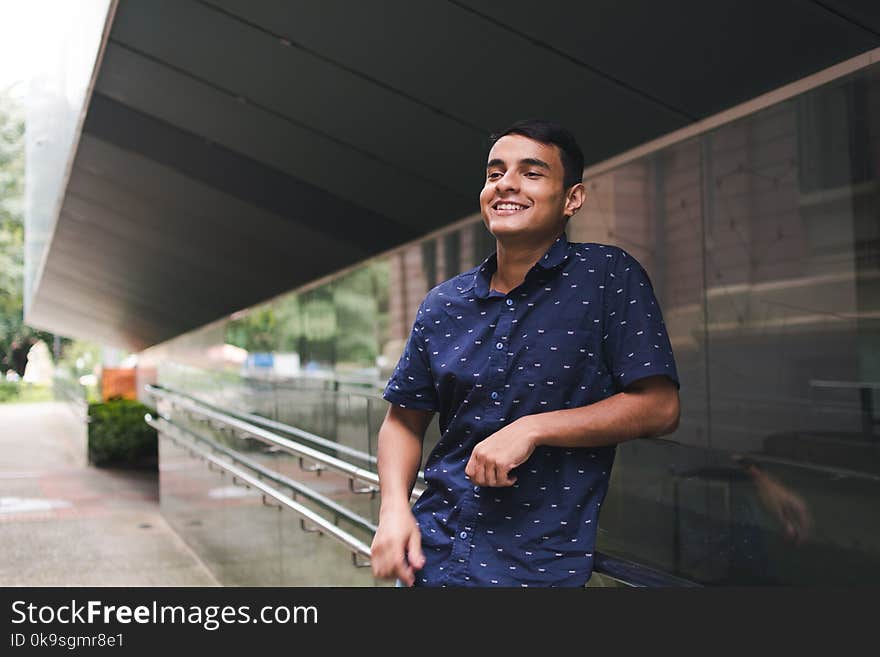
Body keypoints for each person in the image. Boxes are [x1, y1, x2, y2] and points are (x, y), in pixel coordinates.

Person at [372, 119, 681, 587]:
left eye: (531, 173)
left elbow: (660, 408)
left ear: (572, 199)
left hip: (536, 570)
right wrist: (393, 509)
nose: (506, 184)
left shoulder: (607, 278)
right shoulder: (443, 303)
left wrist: (534, 429)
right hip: (429, 558)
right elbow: (403, 420)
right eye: (495, 173)